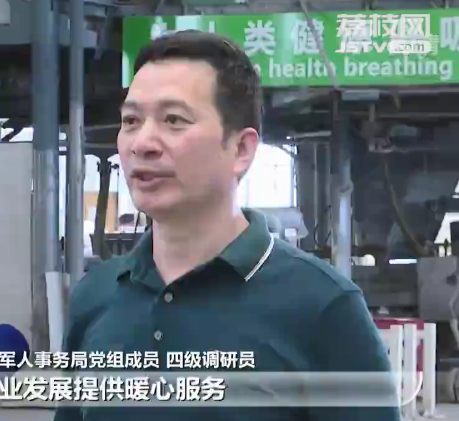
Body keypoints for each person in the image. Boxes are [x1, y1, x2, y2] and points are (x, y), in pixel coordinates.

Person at [54, 31, 398, 421]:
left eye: (174, 120)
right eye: (131, 120)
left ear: (241, 149)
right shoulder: (95, 296)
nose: (142, 142)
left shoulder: (324, 307)